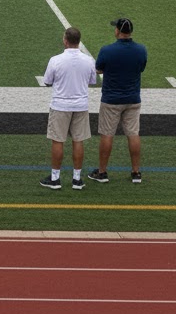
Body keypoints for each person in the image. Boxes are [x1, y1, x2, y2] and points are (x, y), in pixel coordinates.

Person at [89, 18, 147, 185]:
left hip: (111, 99)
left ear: (118, 31)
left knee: (107, 134)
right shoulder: (141, 50)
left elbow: (98, 68)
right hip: (133, 98)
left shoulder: (107, 50)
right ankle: (136, 172)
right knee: (133, 134)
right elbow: (141, 67)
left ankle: (102, 172)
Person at [39, 26, 96, 191]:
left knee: (58, 140)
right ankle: (77, 179)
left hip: (60, 105)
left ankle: (55, 178)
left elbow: (47, 81)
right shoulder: (88, 60)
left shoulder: (55, 60)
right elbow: (92, 80)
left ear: (65, 40)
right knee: (78, 140)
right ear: (78, 41)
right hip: (80, 105)